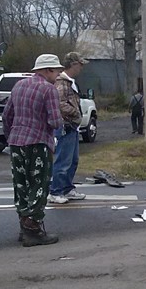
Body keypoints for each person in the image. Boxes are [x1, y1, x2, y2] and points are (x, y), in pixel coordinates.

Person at [2, 53, 66, 246]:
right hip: (39, 142)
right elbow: (54, 121)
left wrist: (10, 137)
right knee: (39, 184)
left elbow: (7, 116)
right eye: (56, 71)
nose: (58, 75)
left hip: (16, 142)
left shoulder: (19, 86)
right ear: (48, 70)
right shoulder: (49, 90)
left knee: (21, 185)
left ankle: (23, 225)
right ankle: (33, 229)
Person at [49, 52, 89, 204]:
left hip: (72, 126)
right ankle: (55, 191)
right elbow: (59, 103)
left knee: (73, 160)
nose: (81, 68)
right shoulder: (62, 82)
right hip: (65, 126)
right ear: (73, 65)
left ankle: (67, 188)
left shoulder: (70, 82)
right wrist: (76, 113)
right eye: (80, 64)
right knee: (63, 160)